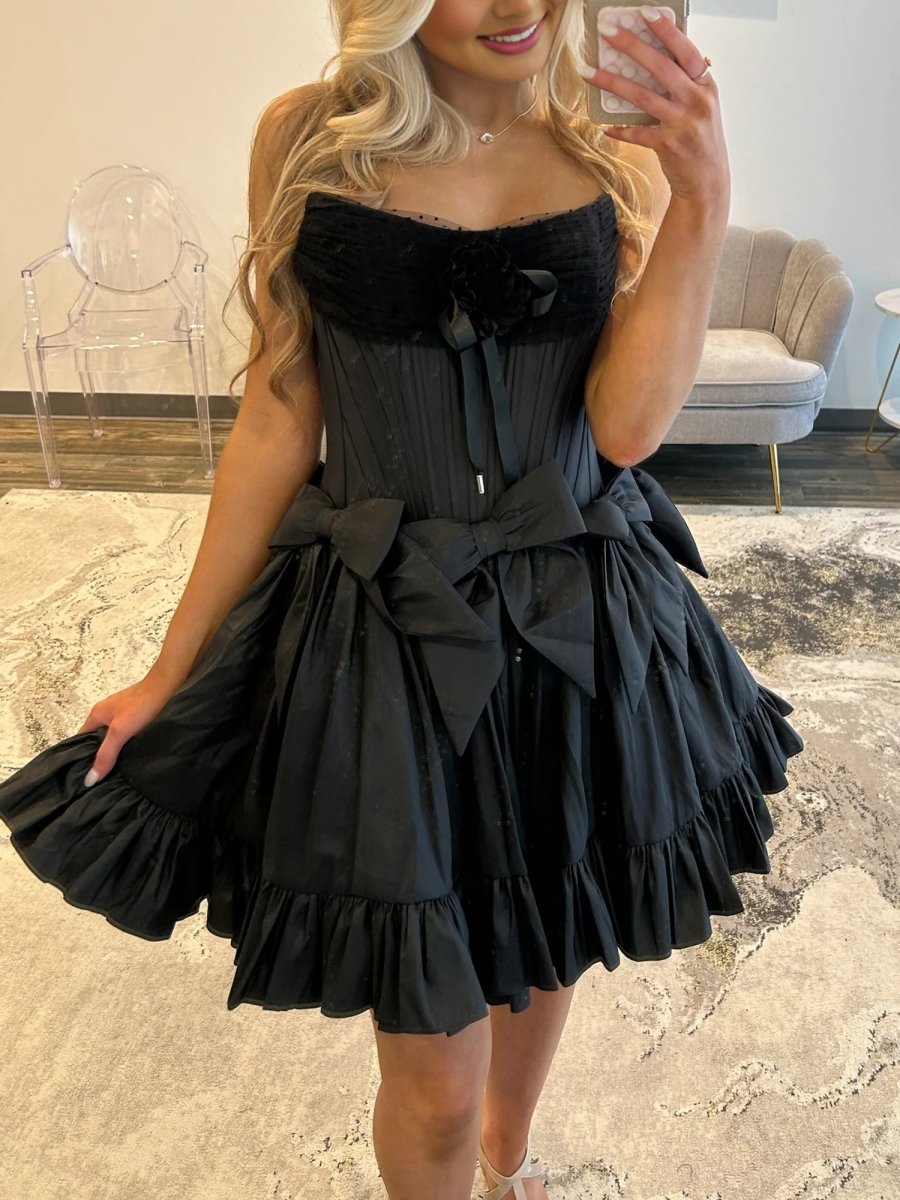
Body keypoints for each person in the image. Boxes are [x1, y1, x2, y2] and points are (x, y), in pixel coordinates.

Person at [0, 3, 805, 1198]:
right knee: (433, 1082)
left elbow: (625, 430)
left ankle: (509, 1161)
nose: (517, 5)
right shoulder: (308, 138)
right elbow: (280, 415)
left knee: (549, 933)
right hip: (381, 636)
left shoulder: (613, 144)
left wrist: (705, 197)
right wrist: (171, 669)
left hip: (575, 623)